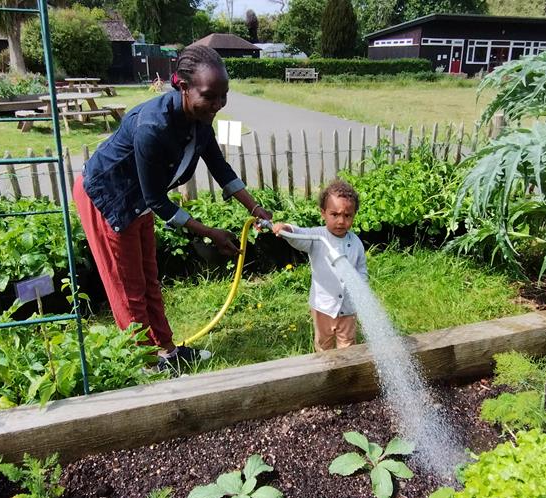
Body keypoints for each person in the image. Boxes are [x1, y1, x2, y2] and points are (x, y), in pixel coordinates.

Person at [73, 44, 273, 370]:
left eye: (224, 95)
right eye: (210, 96)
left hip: (140, 198)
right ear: (181, 84)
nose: (218, 105)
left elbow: (221, 169)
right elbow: (157, 201)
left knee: (149, 278)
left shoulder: (198, 121)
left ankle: (168, 350)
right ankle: (146, 362)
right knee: (129, 288)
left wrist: (254, 208)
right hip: (108, 197)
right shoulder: (152, 127)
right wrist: (209, 233)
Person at [272, 180, 367, 352]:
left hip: (348, 308)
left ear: (354, 215)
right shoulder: (317, 236)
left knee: (348, 347)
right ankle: (325, 372)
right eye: (335, 214)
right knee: (324, 345)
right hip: (323, 307)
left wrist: (361, 289)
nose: (341, 221)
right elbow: (299, 235)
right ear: (323, 213)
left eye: (347, 216)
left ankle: (346, 374)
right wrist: (286, 228)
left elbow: (361, 269)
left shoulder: (355, 242)